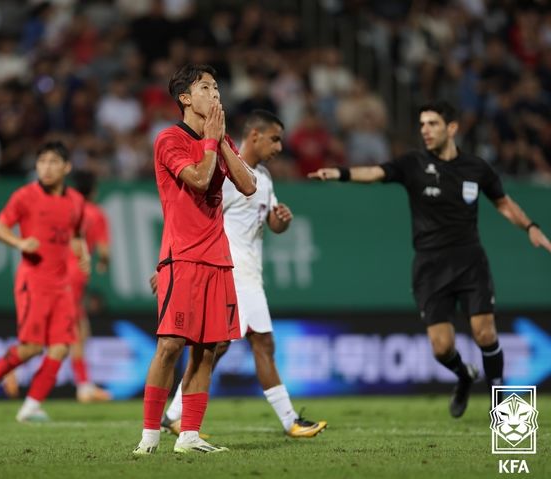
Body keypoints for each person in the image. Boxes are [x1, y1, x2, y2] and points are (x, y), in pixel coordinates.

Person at [309, 101, 551, 418]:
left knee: (485, 333)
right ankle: (463, 375)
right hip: (430, 266)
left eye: (432, 123)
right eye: (422, 124)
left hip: (469, 261)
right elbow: (376, 172)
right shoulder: (413, 164)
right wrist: (339, 173)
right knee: (440, 347)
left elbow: (503, 203)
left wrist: (530, 227)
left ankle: (500, 398)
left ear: (451, 128)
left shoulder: (476, 169)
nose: (425, 130)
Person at [155, 109, 328, 439]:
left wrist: (282, 220)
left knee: (227, 346)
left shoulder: (262, 177)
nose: (279, 147)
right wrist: (172, 261)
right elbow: (198, 220)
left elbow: (271, 223)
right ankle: (290, 419)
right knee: (246, 343)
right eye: (275, 139)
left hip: (249, 273)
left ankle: (174, 414)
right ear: (255, 136)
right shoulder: (229, 174)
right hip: (229, 271)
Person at [132, 64, 257, 455]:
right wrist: (210, 142)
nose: (215, 94)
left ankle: (189, 435)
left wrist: (218, 142)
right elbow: (200, 180)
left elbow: (249, 185)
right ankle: (149, 436)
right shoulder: (168, 138)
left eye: (218, 87)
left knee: (210, 348)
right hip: (182, 256)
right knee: (171, 344)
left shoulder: (219, 139)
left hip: (217, 258)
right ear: (185, 98)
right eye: (206, 87)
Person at [0, 141, 87, 422]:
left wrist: (82, 252)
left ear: (66, 167)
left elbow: (74, 234)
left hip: (62, 285)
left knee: (61, 346)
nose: (46, 168)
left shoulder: (76, 201)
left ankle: (31, 406)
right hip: (33, 281)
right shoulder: (25, 196)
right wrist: (20, 242)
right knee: (33, 347)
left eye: (52, 162)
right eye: (41, 162)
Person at [68, 169, 113, 403]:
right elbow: (105, 253)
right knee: (73, 332)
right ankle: (83, 387)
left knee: (80, 331)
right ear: (94, 190)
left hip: (58, 272)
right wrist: (104, 263)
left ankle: (84, 383)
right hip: (75, 275)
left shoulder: (67, 209)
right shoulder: (97, 214)